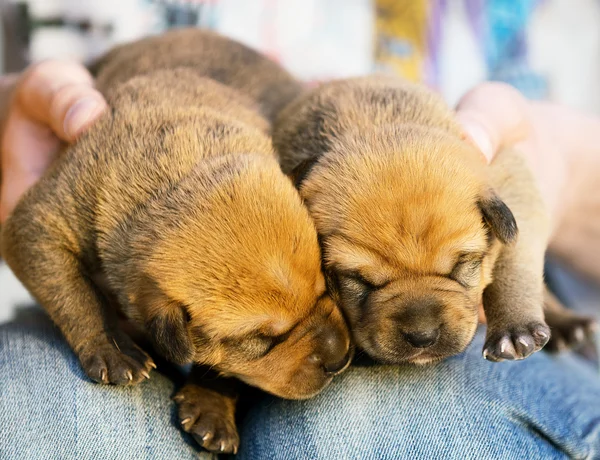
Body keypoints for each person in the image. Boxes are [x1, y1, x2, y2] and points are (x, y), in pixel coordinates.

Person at [1, 2, 600, 459]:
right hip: (139, 260)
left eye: (456, 264)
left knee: (350, 428)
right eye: (361, 278)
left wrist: (560, 171)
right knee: (45, 410)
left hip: (547, 275)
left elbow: (521, 189)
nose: (417, 321)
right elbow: (40, 225)